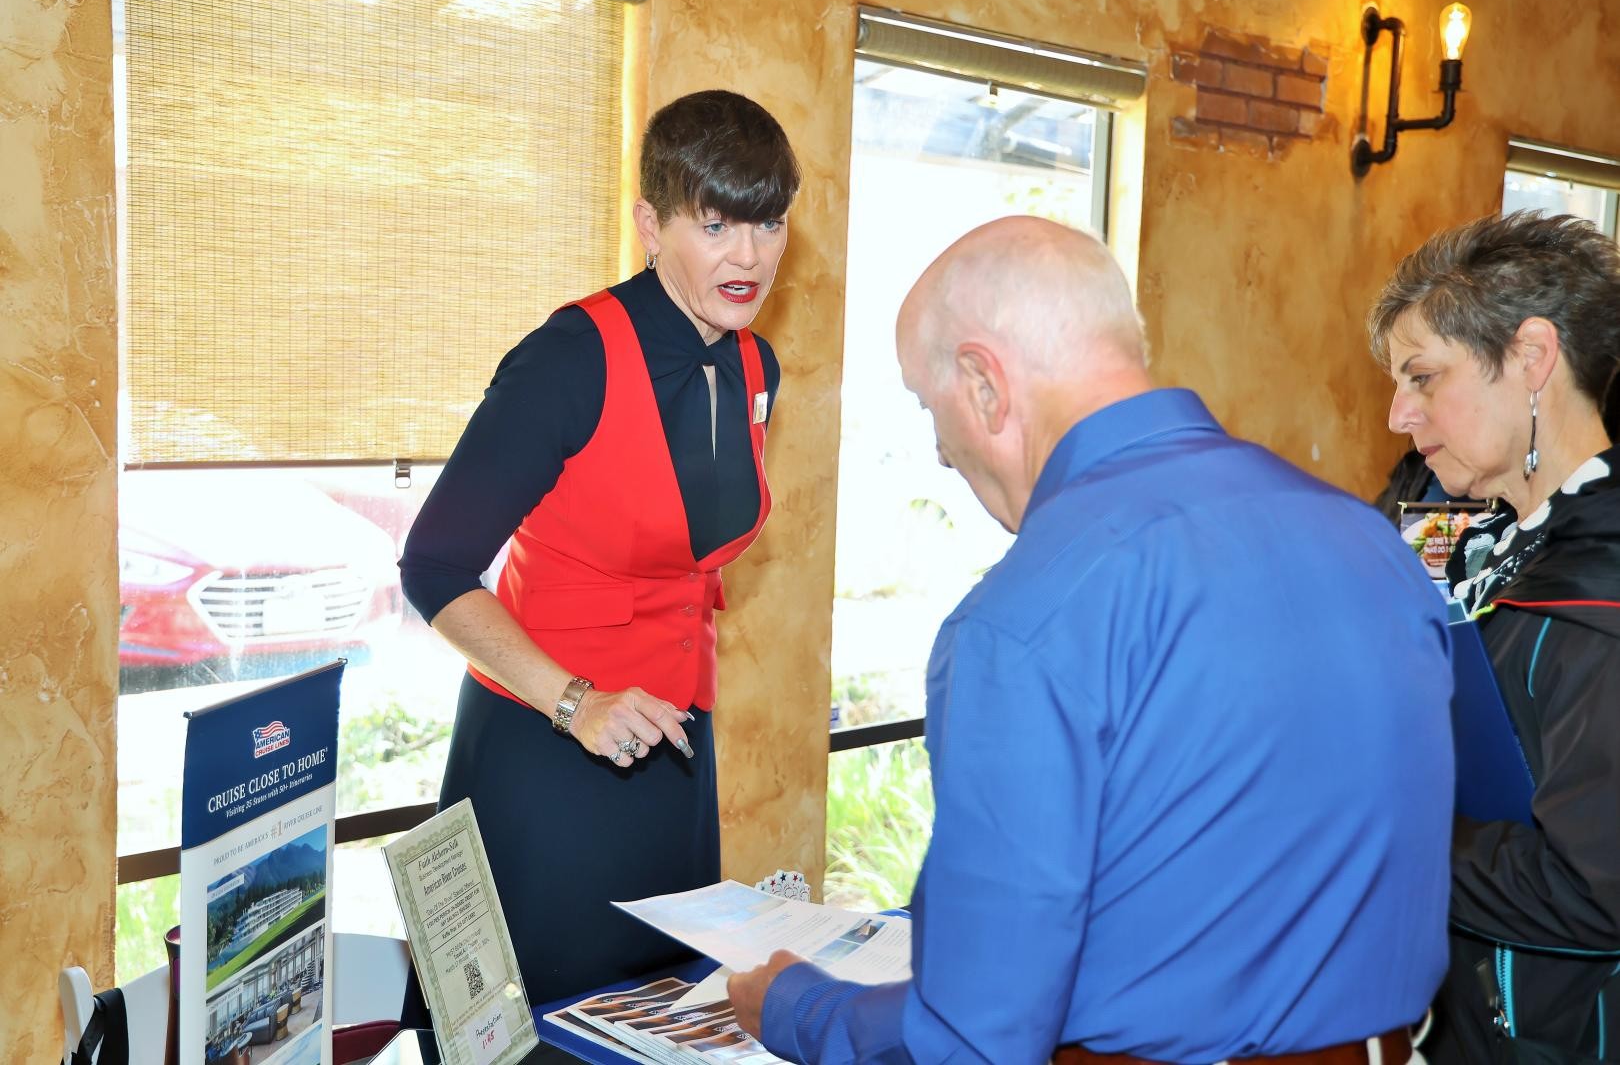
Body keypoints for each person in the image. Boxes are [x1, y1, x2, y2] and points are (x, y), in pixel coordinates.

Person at [727, 216, 1456, 1064]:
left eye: (930, 407)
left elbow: (975, 1038)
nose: (941, 453)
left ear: (984, 383)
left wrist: (801, 1009)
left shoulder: (1029, 616)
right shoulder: (1372, 541)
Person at [397, 89, 799, 1014]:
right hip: (549, 754)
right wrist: (575, 702)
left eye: (768, 223)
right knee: (538, 1026)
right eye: (716, 224)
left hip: (674, 755)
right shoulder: (570, 357)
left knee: (662, 1013)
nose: (749, 256)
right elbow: (433, 566)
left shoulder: (755, 365)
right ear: (652, 226)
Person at [1371, 210, 1620, 1064]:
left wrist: (1384, 832)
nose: (1398, 414)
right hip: (1454, 1007)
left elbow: (1596, 889)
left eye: (1423, 377)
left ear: (1532, 357)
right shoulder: (1460, 530)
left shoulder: (1601, 589)